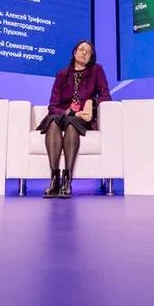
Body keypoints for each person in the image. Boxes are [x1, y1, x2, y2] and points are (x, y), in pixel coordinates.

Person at [36, 40, 111, 198]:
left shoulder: (97, 70)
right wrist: (70, 113)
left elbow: (106, 96)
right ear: (74, 52)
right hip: (63, 114)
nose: (84, 53)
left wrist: (91, 101)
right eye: (81, 49)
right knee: (53, 121)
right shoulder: (62, 74)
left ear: (91, 57)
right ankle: (54, 179)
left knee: (72, 124)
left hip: (83, 117)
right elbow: (53, 106)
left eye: (88, 52)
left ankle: (67, 180)